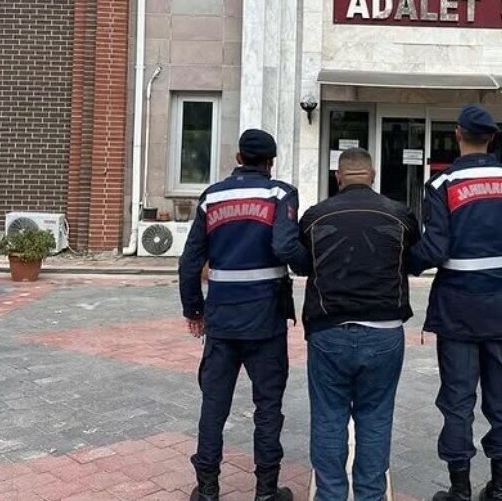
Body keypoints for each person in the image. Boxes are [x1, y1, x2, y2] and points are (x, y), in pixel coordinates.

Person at [409, 105, 502, 501]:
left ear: (457, 134)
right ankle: (500, 488)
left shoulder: (442, 185)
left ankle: (460, 489)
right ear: (492, 138)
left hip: (459, 311)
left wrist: (404, 265)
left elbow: (434, 248)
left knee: (457, 398)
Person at [178, 129, 310, 501]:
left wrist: (194, 309)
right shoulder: (280, 193)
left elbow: (190, 262)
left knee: (214, 405)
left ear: (238, 158)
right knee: (268, 406)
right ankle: (266, 491)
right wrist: (308, 265)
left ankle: (207, 490)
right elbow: (286, 246)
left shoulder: (212, 196)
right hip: (266, 319)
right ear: (271, 161)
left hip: (221, 317)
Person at [299, 148, 419, 501]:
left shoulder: (315, 216)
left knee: (328, 416)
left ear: (339, 177)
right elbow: (416, 256)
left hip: (328, 331)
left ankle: (331, 495)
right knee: (376, 417)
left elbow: (300, 259)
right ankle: (370, 495)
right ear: (373, 174)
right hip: (383, 333)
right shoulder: (400, 215)